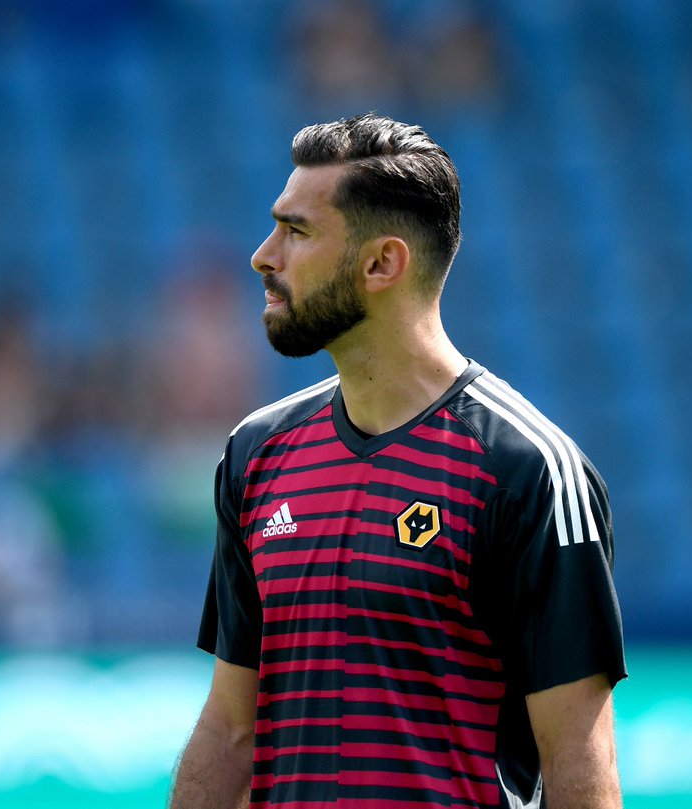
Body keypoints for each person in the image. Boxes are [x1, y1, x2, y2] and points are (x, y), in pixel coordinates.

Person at [169, 114, 626, 808]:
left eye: (296, 231)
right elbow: (231, 730)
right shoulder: (256, 455)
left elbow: (579, 764)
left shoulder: (528, 470)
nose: (263, 256)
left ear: (382, 263)